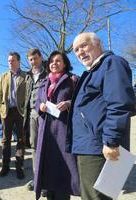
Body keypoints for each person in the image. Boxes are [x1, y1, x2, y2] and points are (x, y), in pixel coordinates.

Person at [67, 32, 136, 200]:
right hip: (90, 146)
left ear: (98, 44)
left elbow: (119, 103)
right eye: (76, 50)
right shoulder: (94, 71)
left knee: (95, 197)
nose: (79, 52)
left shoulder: (111, 63)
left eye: (83, 45)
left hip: (99, 148)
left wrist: (111, 142)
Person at [34, 51, 80, 200]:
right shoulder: (44, 82)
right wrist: (40, 106)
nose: (54, 63)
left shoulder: (73, 80)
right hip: (45, 132)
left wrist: (69, 103)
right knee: (47, 169)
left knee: (63, 168)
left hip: (63, 130)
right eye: (52, 61)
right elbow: (36, 102)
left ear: (65, 63)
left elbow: (83, 101)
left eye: (58, 60)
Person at [0, 52, 27, 179]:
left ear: (18, 61)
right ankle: (5, 166)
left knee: (20, 140)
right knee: (5, 140)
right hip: (7, 112)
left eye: (13, 60)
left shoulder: (26, 76)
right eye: (9, 60)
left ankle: (19, 166)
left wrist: (25, 108)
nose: (10, 62)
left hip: (20, 112)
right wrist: (0, 107)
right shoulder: (3, 76)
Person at [24, 48, 47, 191]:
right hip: (32, 114)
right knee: (34, 147)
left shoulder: (49, 71)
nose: (33, 62)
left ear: (40, 57)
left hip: (46, 114)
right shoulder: (27, 76)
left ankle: (47, 181)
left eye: (35, 58)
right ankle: (36, 178)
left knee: (46, 146)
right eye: (31, 60)